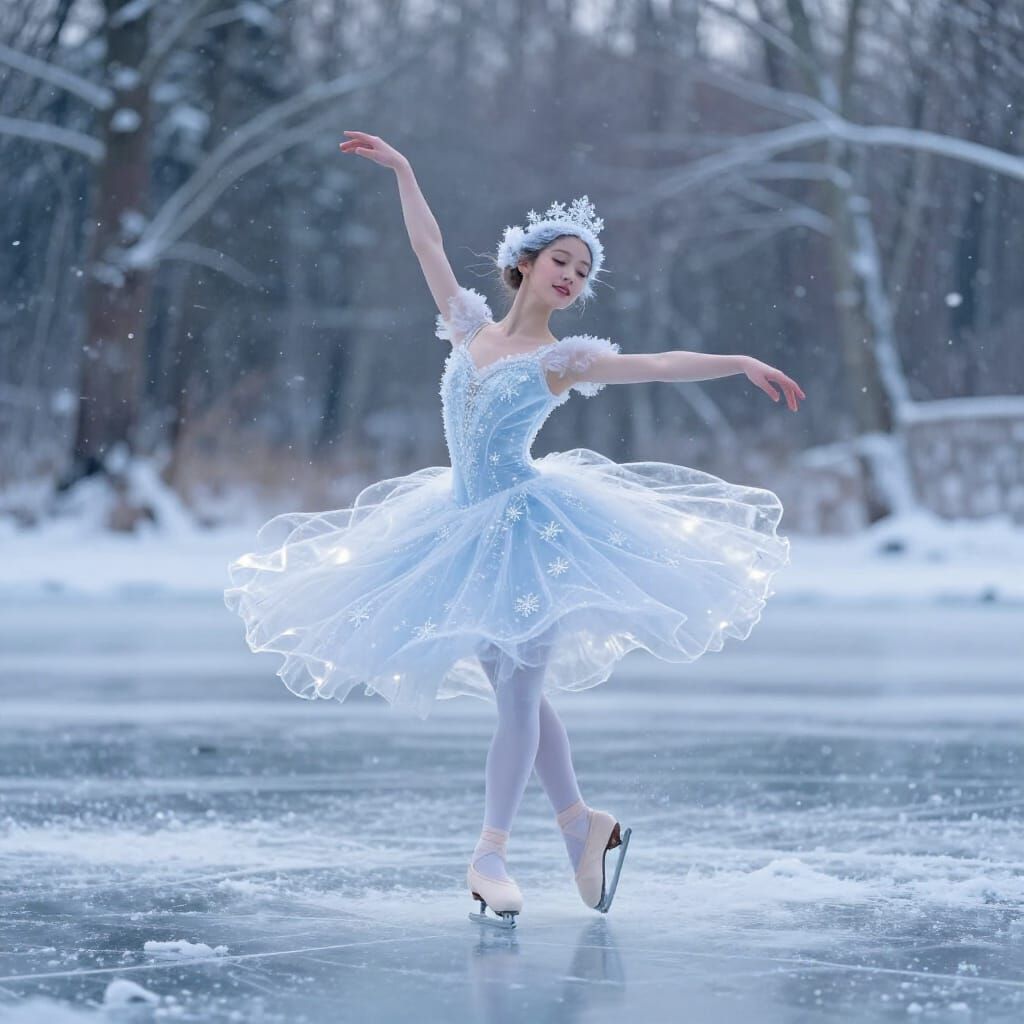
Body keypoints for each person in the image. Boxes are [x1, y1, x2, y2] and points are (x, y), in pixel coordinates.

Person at [224, 130, 805, 930]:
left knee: (520, 697)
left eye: (584, 271)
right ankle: (580, 828)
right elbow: (425, 242)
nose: (572, 276)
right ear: (525, 262)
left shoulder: (562, 359)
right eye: (561, 260)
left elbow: (661, 363)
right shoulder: (468, 327)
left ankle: (489, 854)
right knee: (516, 695)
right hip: (458, 525)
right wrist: (404, 167)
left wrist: (737, 360)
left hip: (532, 532)